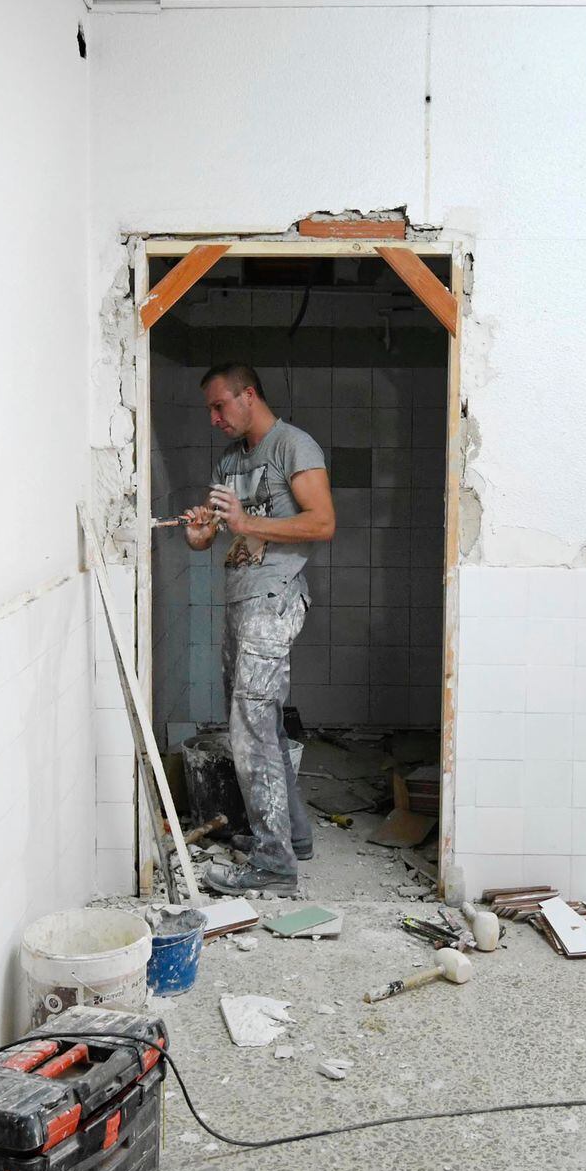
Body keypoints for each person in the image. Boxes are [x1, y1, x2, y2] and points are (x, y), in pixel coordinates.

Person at [180, 364, 335, 896]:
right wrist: (203, 533)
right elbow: (217, 537)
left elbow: (322, 522)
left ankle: (274, 865)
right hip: (242, 598)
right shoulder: (230, 460)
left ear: (249, 396)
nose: (214, 417)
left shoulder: (293, 446)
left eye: (220, 405)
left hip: (275, 598)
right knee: (256, 723)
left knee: (250, 727)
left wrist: (246, 522)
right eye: (209, 410)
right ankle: (292, 836)